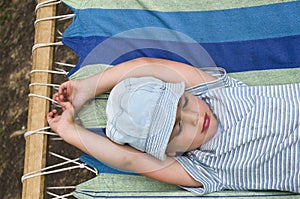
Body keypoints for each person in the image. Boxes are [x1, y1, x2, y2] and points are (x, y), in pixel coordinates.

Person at [47, 57, 300, 195]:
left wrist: (89, 87)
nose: (195, 118)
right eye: (178, 129)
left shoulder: (213, 92)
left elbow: (147, 66)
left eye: (185, 102)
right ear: (169, 153)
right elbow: (129, 160)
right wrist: (72, 132)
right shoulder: (201, 166)